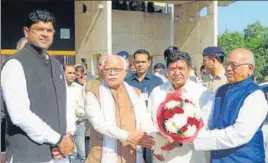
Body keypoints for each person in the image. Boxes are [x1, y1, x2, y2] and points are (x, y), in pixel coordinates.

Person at [1, 9, 75, 162]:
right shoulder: (15, 64)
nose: (45, 34)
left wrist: (68, 136)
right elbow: (20, 115)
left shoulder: (55, 65)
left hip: (59, 154)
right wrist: (58, 139)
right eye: (39, 29)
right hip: (30, 155)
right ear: (27, 31)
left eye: (49, 30)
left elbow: (65, 105)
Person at [194, 48, 268, 163]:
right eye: (227, 64)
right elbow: (205, 118)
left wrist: (198, 138)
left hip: (244, 159)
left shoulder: (255, 95)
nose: (228, 68)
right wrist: (186, 130)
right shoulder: (220, 91)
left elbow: (239, 134)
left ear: (250, 68)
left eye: (234, 65)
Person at [84, 55, 157, 163]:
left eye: (117, 70)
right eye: (108, 69)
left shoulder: (136, 93)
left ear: (125, 72)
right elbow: (98, 124)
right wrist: (127, 136)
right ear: (102, 72)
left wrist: (153, 136)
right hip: (101, 155)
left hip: (131, 155)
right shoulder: (93, 94)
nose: (112, 73)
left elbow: (144, 119)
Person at [148, 48, 210, 163]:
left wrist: (181, 140)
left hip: (191, 156)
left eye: (181, 68)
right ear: (167, 71)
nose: (177, 73)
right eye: (172, 69)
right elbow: (148, 120)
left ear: (189, 69)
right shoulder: (157, 92)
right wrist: (156, 138)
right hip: (162, 155)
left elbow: (206, 125)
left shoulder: (201, 93)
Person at [125, 49, 163, 163]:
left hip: (151, 127)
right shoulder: (127, 82)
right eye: (137, 62)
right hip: (132, 126)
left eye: (143, 62)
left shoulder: (157, 82)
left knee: (150, 157)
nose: (140, 65)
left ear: (149, 62)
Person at [64, 64, 86, 162]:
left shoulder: (79, 88)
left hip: (78, 124)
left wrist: (81, 112)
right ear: (63, 73)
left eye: (73, 73)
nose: (72, 75)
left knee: (82, 153)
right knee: (66, 153)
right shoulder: (58, 87)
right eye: (69, 73)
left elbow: (84, 104)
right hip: (65, 127)